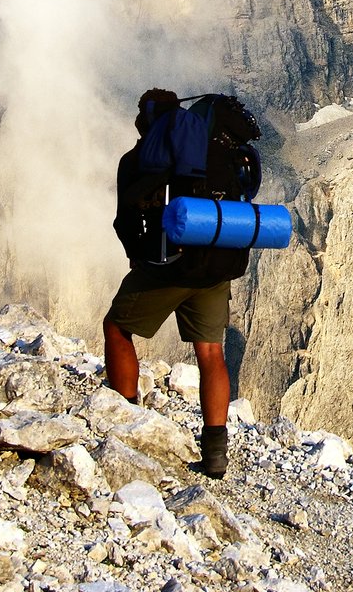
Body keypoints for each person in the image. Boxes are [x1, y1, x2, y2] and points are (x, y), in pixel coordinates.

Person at [102, 88, 250, 478]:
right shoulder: (215, 155)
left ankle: (124, 424)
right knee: (211, 355)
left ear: (146, 117)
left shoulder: (137, 160)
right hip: (216, 263)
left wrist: (139, 255)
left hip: (166, 267)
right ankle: (216, 454)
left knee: (117, 329)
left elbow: (125, 220)